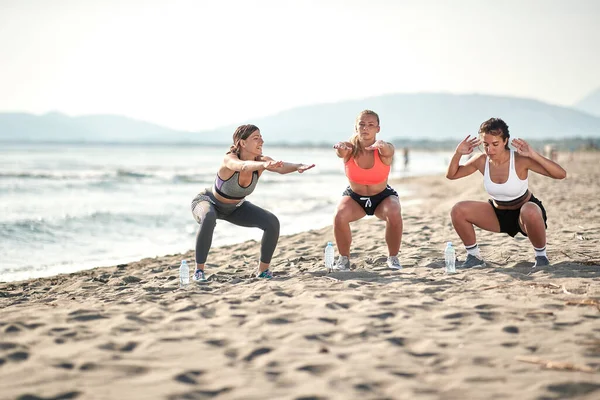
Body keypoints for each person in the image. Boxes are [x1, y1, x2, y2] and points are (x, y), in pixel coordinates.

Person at [190, 124, 315, 281]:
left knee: (271, 222)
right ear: (242, 143)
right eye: (256, 138)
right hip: (208, 201)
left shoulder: (261, 162)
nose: (261, 141)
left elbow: (280, 167)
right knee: (209, 217)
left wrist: (298, 166)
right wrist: (263, 165)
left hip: (235, 208)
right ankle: (199, 272)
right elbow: (242, 166)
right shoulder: (229, 159)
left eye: (261, 137)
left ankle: (263, 271)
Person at [445, 117, 567, 269]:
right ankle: (474, 257)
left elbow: (561, 174)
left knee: (529, 210)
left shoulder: (520, 160)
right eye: (486, 144)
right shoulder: (481, 160)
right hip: (498, 214)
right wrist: (458, 154)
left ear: (505, 141)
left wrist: (533, 154)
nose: (490, 149)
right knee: (458, 210)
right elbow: (452, 175)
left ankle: (541, 257)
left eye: (495, 144)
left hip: (526, 215)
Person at [332, 110, 403, 271]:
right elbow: (340, 152)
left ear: (378, 129)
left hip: (382, 198)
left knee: (394, 211)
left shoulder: (382, 149)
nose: (366, 128)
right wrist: (340, 148)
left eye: (371, 125)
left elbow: (389, 150)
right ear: (356, 127)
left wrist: (383, 146)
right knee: (339, 215)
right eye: (362, 124)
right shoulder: (349, 148)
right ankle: (343, 259)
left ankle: (393, 258)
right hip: (355, 198)